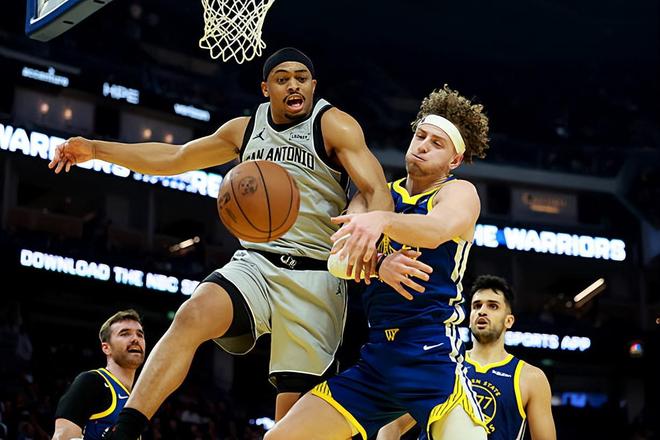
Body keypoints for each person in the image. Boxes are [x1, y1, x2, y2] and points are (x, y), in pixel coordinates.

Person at [48, 47, 392, 439]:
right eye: (282, 79)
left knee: (291, 426)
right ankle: (126, 431)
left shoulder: (334, 125)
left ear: (313, 85)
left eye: (301, 78)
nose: (293, 85)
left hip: (315, 276)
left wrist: (371, 238)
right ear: (266, 89)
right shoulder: (243, 130)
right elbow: (175, 157)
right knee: (191, 315)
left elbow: (377, 191)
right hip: (256, 263)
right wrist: (96, 149)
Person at [264, 85, 491, 440]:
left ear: (455, 161)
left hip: (431, 355)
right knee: (279, 437)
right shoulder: (377, 193)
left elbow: (436, 230)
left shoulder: (458, 192)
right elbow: (338, 260)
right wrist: (380, 264)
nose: (423, 146)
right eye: (421, 136)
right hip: (378, 358)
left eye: (437, 143)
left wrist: (381, 221)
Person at [377, 275, 557, 440]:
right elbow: (392, 424)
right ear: (469, 318)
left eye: (493, 306)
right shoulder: (439, 363)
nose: (482, 311)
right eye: (477, 306)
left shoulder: (531, 378)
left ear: (509, 321)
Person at [52, 310, 146, 440]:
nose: (135, 339)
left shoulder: (134, 397)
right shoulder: (91, 382)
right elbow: (62, 437)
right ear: (106, 348)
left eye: (140, 335)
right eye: (125, 334)